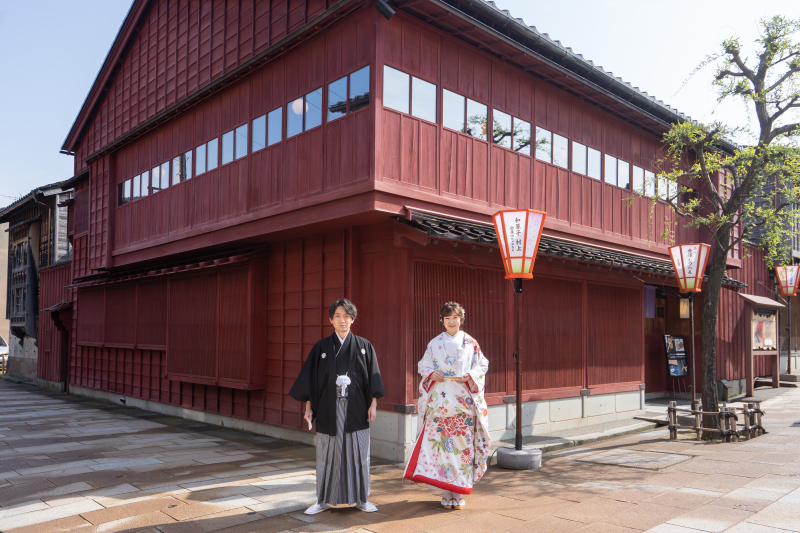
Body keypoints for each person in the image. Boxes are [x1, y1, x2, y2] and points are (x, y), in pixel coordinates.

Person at [289, 298, 385, 515]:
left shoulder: (364, 346)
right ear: (330, 319)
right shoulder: (321, 347)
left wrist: (373, 404)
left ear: (353, 319)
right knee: (327, 454)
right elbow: (311, 381)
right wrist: (308, 407)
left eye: (347, 316)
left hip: (358, 408)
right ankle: (323, 500)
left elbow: (373, 378)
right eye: (338, 316)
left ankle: (362, 499)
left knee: (359, 454)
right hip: (327, 408)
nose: (343, 320)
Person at [403, 302, 490, 510]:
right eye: (447, 318)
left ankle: (458, 492)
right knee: (442, 448)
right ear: (442, 320)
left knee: (462, 449)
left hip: (463, 403)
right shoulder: (434, 344)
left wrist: (470, 375)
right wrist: (431, 373)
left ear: (462, 319)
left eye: (455, 317)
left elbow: (483, 364)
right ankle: (446, 491)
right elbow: (422, 365)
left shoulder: (471, 343)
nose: (452, 321)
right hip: (440, 403)